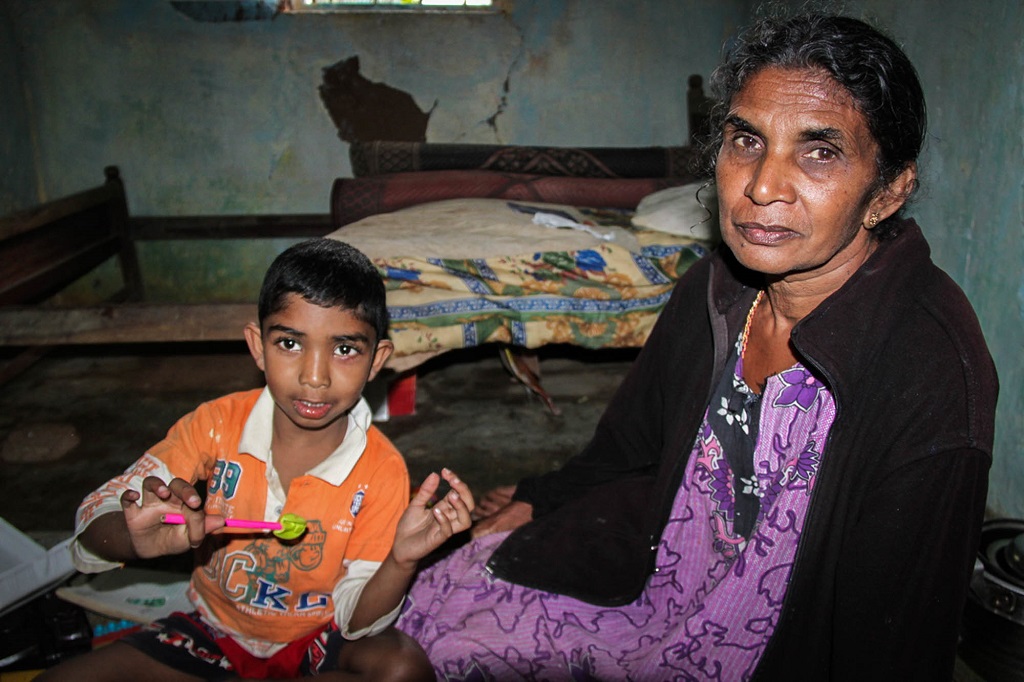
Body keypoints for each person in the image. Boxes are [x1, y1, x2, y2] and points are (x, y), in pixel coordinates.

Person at [393, 11, 999, 681]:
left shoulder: (931, 375)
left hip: (775, 647)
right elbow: (629, 445)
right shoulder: (716, 290)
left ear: (888, 193)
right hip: (659, 569)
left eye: (819, 152)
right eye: (747, 141)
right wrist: (542, 497)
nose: (762, 187)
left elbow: (894, 643)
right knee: (428, 621)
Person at [39, 238, 472, 681]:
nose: (314, 377)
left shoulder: (381, 468)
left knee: (402, 668)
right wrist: (132, 537)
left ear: (376, 359)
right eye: (289, 343)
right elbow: (94, 519)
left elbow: (358, 622)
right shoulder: (213, 425)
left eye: (344, 349)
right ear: (258, 346)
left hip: (318, 640)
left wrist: (400, 562)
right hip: (212, 635)